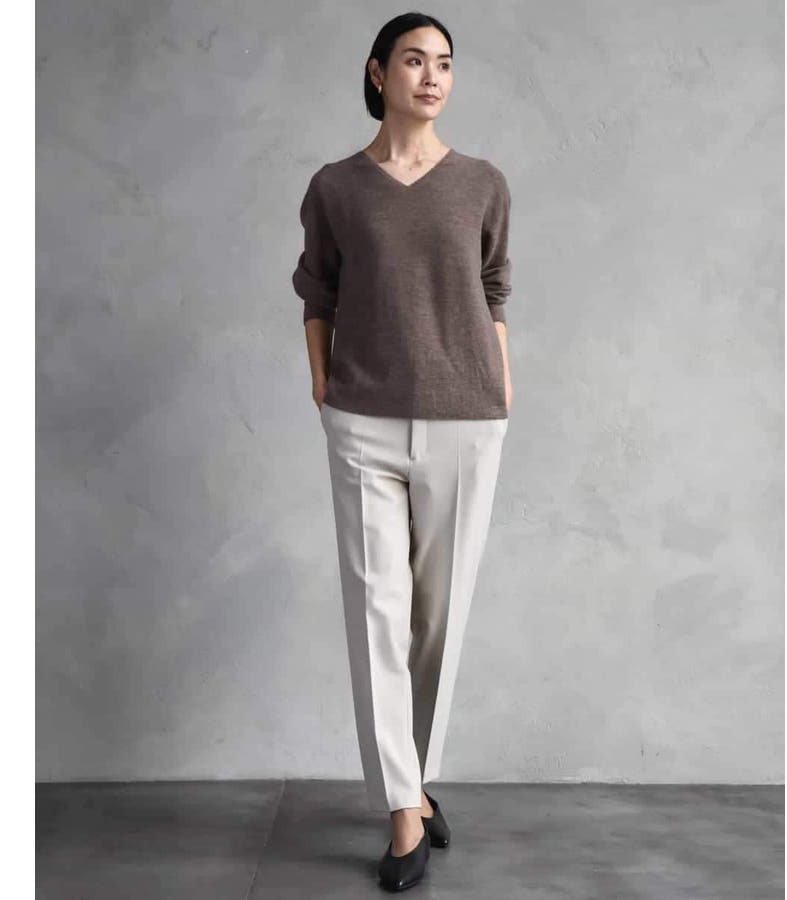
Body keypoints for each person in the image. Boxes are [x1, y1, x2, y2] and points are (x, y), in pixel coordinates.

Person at [292, 11, 513, 892]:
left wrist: (502, 389)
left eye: (445, 64)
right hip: (364, 420)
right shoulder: (336, 186)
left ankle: (413, 779)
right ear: (378, 73)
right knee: (377, 614)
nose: (432, 77)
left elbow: (494, 289)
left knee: (438, 622)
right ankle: (402, 814)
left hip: (467, 418)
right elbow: (316, 290)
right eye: (414, 61)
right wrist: (323, 383)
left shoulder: (483, 183)